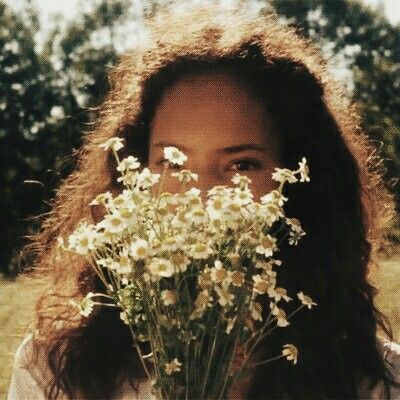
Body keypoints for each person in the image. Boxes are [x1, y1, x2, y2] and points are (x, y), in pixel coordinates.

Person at [7, 4, 400, 400]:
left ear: (298, 185)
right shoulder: (55, 370)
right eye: (173, 163)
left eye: (241, 164)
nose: (204, 193)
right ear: (136, 176)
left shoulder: (376, 384)